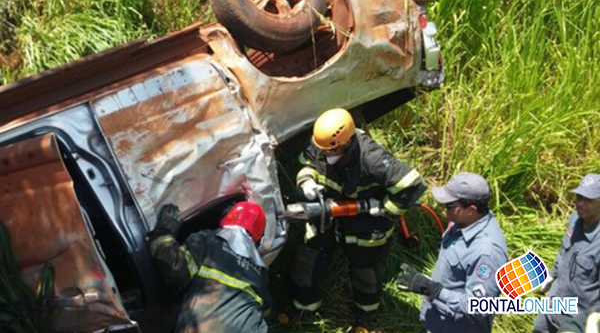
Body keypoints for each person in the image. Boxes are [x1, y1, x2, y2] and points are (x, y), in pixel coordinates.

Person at [289, 108, 427, 332]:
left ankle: (365, 318)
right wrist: (306, 182)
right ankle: (304, 308)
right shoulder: (321, 143)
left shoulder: (371, 157)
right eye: (321, 150)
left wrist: (385, 210)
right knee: (309, 257)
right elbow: (306, 163)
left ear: (346, 143)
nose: (324, 156)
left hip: (366, 223)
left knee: (365, 270)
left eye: (330, 152)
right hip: (328, 214)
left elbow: (412, 185)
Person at [397, 172, 508, 333]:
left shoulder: (486, 253)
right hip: (440, 321)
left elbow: (478, 307)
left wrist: (434, 290)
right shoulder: (462, 223)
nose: (443, 209)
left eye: (449, 206)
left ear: (471, 209)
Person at [148, 201, 271, 333]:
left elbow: (175, 267)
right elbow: (266, 307)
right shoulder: (261, 272)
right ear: (258, 237)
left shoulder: (208, 240)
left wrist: (163, 232)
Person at [533, 173, 600, 333]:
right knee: (538, 328)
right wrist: (552, 274)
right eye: (579, 197)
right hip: (555, 301)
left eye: (588, 200)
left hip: (579, 315)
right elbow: (565, 249)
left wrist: (594, 319)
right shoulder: (575, 218)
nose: (580, 204)